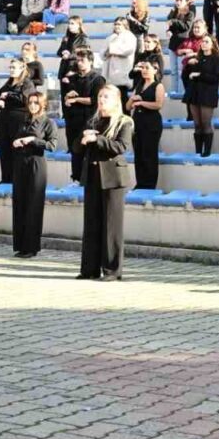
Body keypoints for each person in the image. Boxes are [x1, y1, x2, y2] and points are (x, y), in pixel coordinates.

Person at [77, 86, 135, 281]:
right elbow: (76, 147)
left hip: (113, 177)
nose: (101, 100)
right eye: (100, 96)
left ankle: (112, 270)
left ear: (116, 100)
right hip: (92, 175)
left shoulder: (124, 122)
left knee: (112, 225)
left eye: (106, 97)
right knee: (91, 223)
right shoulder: (92, 121)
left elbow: (121, 146)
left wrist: (97, 139)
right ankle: (89, 269)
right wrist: (83, 140)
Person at [11, 91, 57, 258]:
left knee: (33, 204)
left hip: (36, 164)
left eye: (36, 102)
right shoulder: (23, 120)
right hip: (21, 163)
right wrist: (16, 142)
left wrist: (33, 140)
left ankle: (31, 247)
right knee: (20, 202)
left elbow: (52, 145)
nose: (32, 105)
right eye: (30, 102)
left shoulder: (48, 122)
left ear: (42, 104)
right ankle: (20, 245)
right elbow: (15, 139)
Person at [62, 48, 105, 184]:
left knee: (86, 150)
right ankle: (75, 178)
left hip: (88, 120)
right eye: (78, 60)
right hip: (73, 120)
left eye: (82, 60)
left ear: (91, 61)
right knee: (74, 150)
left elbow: (95, 100)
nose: (79, 63)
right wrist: (67, 97)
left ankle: (88, 180)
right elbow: (67, 99)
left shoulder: (97, 79)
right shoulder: (72, 78)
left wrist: (77, 99)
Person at [0, 59, 35, 185]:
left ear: (22, 68)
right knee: (4, 149)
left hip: (19, 120)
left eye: (14, 67)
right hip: (5, 119)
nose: (11, 70)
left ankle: (18, 179)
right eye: (10, 67)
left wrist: (9, 95)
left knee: (18, 149)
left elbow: (26, 98)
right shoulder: (8, 83)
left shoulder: (27, 83)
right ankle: (6, 178)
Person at [126, 59, 166, 189]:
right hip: (138, 122)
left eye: (147, 68)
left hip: (151, 123)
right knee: (138, 154)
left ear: (155, 70)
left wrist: (141, 103)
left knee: (149, 154)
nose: (144, 70)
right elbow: (128, 107)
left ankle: (149, 184)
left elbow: (158, 104)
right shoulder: (139, 85)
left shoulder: (158, 86)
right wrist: (132, 99)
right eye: (142, 68)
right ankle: (140, 183)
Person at [180, 35, 219, 157]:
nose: (203, 43)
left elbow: (215, 78)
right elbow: (185, 77)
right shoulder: (197, 58)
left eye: (207, 41)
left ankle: (207, 151)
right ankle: (198, 150)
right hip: (194, 93)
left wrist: (199, 75)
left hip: (207, 94)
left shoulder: (217, 59)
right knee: (197, 124)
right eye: (202, 41)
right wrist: (188, 65)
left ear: (212, 44)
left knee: (205, 123)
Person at [102, 17, 138, 98]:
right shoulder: (110, 37)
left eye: (119, 24)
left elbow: (128, 50)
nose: (116, 26)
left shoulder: (130, 36)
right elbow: (103, 53)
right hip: (110, 74)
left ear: (125, 25)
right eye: (115, 24)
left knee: (122, 99)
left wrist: (111, 49)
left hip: (121, 74)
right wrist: (106, 52)